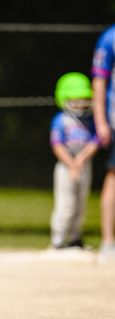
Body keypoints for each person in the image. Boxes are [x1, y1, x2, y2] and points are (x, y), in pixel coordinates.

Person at [49, 72, 100, 249]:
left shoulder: (91, 120)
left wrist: (80, 160)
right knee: (66, 204)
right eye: (77, 98)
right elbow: (57, 145)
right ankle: (58, 240)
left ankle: (75, 238)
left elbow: (95, 141)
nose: (81, 102)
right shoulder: (60, 120)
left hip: (84, 166)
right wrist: (72, 164)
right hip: (65, 167)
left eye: (84, 97)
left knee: (80, 205)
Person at [91, 24, 115, 262]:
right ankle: (109, 241)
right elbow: (99, 81)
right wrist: (101, 120)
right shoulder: (111, 37)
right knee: (114, 174)